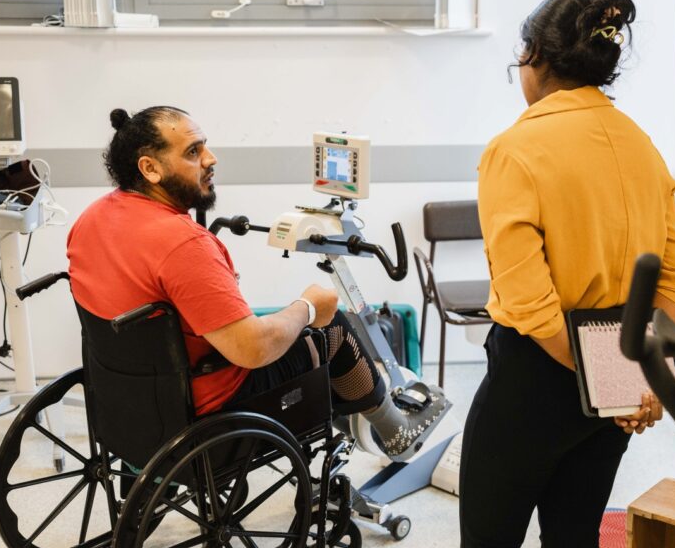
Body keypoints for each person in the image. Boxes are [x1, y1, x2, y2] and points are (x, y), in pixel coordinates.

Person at [458, 0, 675, 548]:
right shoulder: (640, 145)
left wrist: (614, 382)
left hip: (537, 375)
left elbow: (534, 309)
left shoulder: (515, 149)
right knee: (573, 543)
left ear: (533, 56)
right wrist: (633, 377)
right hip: (616, 366)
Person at [66, 105, 442, 460]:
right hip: (205, 412)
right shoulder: (183, 243)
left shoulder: (92, 219)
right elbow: (253, 350)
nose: (211, 159)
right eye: (194, 152)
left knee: (295, 330)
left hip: (128, 406)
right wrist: (308, 306)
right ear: (150, 168)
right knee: (333, 326)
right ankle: (396, 431)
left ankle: (350, 405)